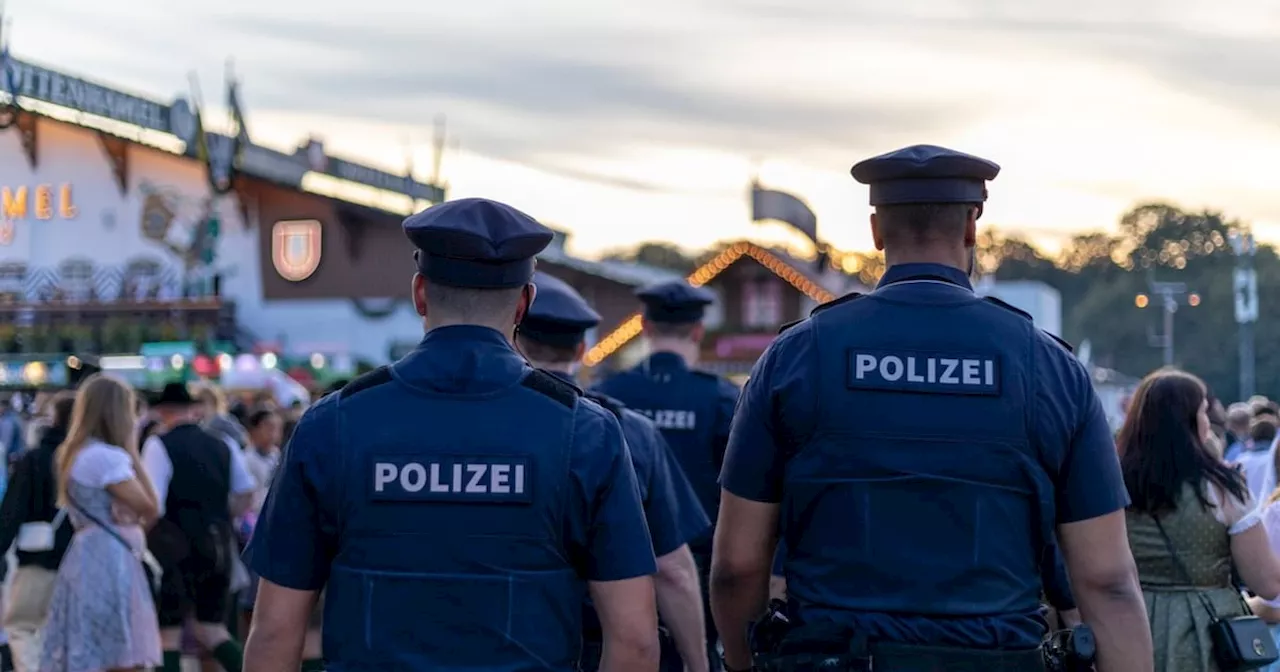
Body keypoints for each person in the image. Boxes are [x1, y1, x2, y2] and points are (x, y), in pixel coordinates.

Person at [712, 144, 1152, 672]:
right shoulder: (1050, 368)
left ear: (876, 231)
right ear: (972, 227)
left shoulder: (795, 357)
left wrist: (745, 664)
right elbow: (1106, 580)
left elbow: (736, 566)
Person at [243, 197, 660, 672]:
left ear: (420, 293)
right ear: (524, 303)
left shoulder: (332, 424)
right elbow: (636, 641)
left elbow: (275, 630)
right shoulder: (586, 432)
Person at [518, 270, 711, 672]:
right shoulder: (621, 426)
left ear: (515, 339)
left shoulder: (485, 424)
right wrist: (700, 663)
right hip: (604, 645)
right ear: (581, 348)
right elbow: (672, 570)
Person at [593, 278, 740, 672]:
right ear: (697, 331)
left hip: (618, 571)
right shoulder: (723, 399)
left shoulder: (607, 395)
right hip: (701, 572)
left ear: (645, 327)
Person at [1122, 369, 1280, 671]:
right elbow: (1268, 582)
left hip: (1128, 624)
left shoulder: (1111, 484)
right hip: (1206, 630)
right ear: (1190, 421)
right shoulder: (1223, 488)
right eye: (1203, 413)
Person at [39, 374, 162, 671]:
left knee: (93, 645)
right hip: (111, 560)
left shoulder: (77, 454)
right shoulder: (107, 458)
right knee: (121, 649)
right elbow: (151, 505)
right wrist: (132, 450)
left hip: (86, 554)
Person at [141, 382, 257, 672]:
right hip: (218, 543)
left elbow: (153, 505)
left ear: (162, 411)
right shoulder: (223, 444)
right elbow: (245, 493)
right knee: (211, 628)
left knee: (168, 633)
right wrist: (220, 515)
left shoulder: (158, 445)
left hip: (172, 546)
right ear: (191, 409)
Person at [0, 392, 75, 671]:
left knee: (22, 626)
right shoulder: (92, 456)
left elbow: (12, 511)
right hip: (82, 559)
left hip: (37, 557)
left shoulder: (36, 459)